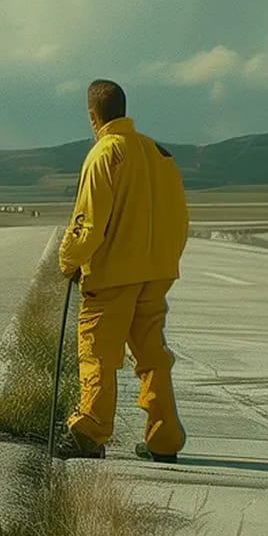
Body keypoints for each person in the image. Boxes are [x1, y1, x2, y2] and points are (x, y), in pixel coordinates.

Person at [54, 79, 189, 462]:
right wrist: (166, 258)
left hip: (113, 275)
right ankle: (164, 440)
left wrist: (69, 261)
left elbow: (88, 222)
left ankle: (90, 432)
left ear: (92, 115)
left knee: (98, 354)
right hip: (156, 271)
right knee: (153, 357)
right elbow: (180, 218)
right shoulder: (158, 153)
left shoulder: (105, 153)